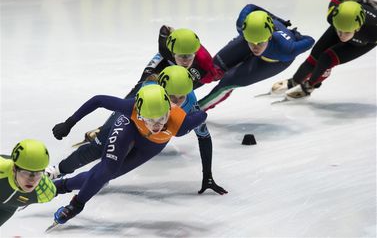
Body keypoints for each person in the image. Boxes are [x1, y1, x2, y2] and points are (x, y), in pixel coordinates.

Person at [47, 66, 227, 196]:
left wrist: (208, 175)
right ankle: (59, 170)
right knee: (96, 148)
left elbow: (203, 135)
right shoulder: (148, 91)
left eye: (182, 97)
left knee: (107, 172)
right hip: (130, 122)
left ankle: (72, 183)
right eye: (172, 97)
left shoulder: (190, 105)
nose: (177, 102)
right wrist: (69, 122)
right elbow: (103, 101)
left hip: (149, 140)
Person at [50, 84, 216, 224]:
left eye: (162, 118)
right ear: (140, 112)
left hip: (151, 145)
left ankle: (60, 186)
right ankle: (76, 206)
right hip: (129, 128)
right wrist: (69, 123)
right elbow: (98, 100)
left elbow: (202, 114)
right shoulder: (131, 107)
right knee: (107, 170)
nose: (156, 125)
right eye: (150, 119)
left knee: (107, 175)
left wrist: (197, 109)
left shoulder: (180, 124)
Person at [197, 5, 315, 111]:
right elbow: (250, 7)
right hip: (250, 40)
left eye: (260, 43)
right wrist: (277, 19)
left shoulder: (286, 49)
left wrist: (296, 36)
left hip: (273, 61)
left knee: (228, 81)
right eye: (252, 42)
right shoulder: (242, 26)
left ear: (269, 38)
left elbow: (310, 40)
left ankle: (198, 109)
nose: (255, 47)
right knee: (212, 69)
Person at [271, 0, 377, 99]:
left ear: (358, 28)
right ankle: (295, 81)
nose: (342, 36)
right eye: (339, 31)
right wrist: (359, 0)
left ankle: (309, 86)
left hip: (363, 42)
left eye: (346, 32)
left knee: (327, 59)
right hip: (348, 24)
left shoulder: (373, 30)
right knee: (314, 57)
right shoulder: (332, 16)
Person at [0, 139, 56, 226]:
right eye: (26, 173)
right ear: (14, 169)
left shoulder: (45, 192)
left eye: (38, 173)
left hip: (7, 209)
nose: (32, 180)